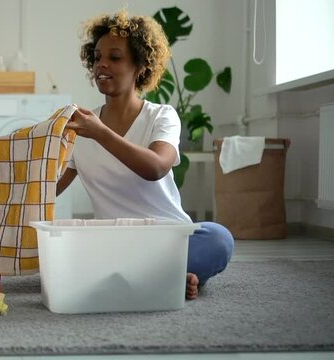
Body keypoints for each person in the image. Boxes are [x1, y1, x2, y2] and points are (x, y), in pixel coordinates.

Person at [59, 10, 234, 300]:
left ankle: (153, 273)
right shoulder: (81, 128)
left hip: (167, 239)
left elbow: (155, 167)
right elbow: (48, 187)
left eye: (114, 57)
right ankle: (166, 276)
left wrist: (100, 132)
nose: (102, 64)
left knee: (218, 239)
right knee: (64, 245)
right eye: (98, 56)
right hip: (115, 243)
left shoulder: (161, 117)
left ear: (140, 66)